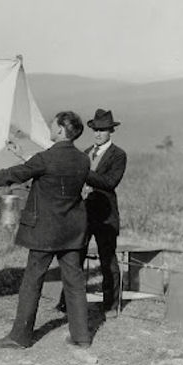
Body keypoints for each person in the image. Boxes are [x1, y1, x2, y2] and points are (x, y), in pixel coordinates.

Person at [0, 111, 92, 349]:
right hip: (72, 230)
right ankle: (81, 336)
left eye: (52, 125)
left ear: (61, 130)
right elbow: (50, 168)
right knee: (74, 283)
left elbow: (15, 174)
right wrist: (22, 153)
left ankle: (20, 337)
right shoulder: (83, 159)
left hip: (45, 231)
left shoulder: (45, 158)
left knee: (32, 281)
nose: (50, 128)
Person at [57, 108, 127, 317]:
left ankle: (110, 305)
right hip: (83, 214)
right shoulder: (85, 152)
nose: (98, 133)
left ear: (111, 131)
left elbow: (110, 182)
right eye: (95, 129)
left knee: (107, 261)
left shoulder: (119, 155)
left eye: (102, 130)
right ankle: (67, 303)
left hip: (106, 217)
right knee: (75, 258)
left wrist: (84, 173)